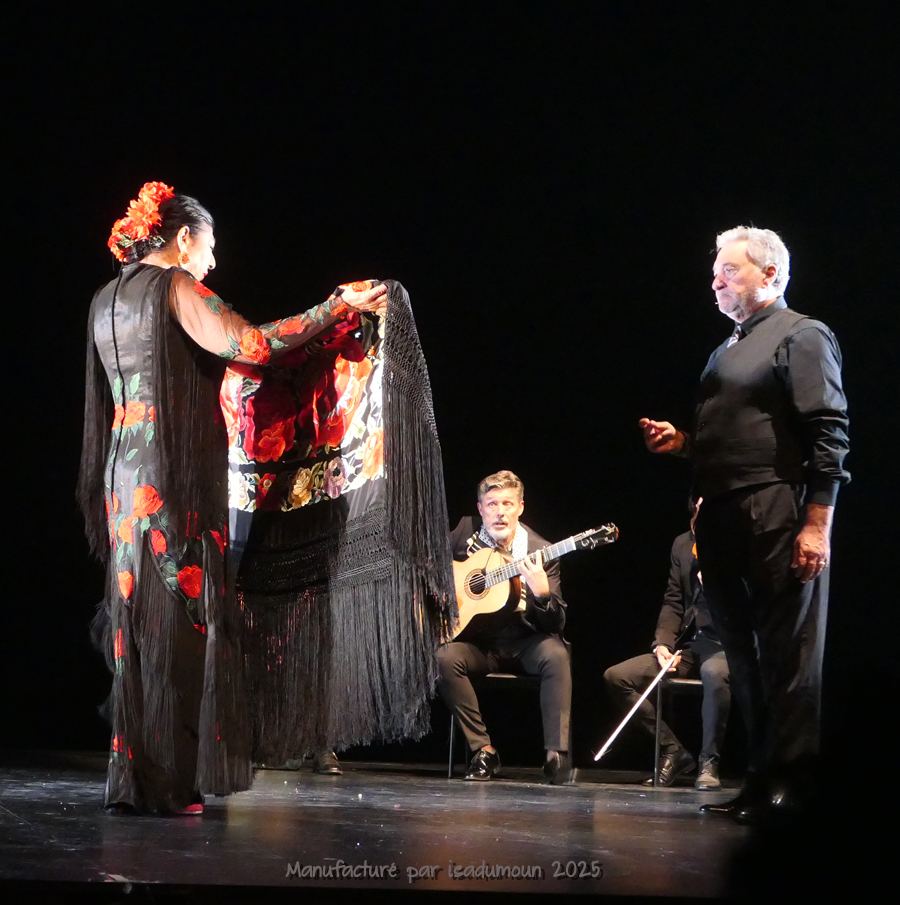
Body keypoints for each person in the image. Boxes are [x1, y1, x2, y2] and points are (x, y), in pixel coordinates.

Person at [78, 181, 387, 815]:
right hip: (172, 472)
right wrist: (334, 308)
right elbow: (253, 345)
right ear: (183, 239)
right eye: (209, 246)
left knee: (139, 624)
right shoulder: (174, 287)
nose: (212, 261)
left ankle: (134, 779)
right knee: (184, 621)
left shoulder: (105, 298)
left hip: (124, 473)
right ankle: (169, 784)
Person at [639, 226, 849, 824]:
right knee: (743, 656)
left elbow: (829, 434)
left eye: (729, 271)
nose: (716, 282)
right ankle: (759, 780)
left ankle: (795, 787)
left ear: (770, 274)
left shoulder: (802, 334)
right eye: (715, 273)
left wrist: (817, 525)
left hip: (776, 509)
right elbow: (736, 437)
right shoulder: (726, 348)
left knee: (788, 655)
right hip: (722, 515)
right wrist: (684, 444)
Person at [438, 470, 572, 784]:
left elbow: (555, 623)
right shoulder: (464, 531)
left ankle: (556, 756)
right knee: (443, 657)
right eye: (492, 504)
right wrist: (441, 593)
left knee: (556, 655)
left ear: (520, 507)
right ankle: (483, 750)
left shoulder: (541, 550)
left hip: (525, 641)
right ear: (481, 508)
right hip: (479, 643)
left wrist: (542, 593)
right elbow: (428, 566)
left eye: (508, 504)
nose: (500, 512)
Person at [604, 499, 730, 790]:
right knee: (617, 676)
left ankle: (709, 762)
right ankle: (673, 750)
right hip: (690, 645)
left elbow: (750, 606)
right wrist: (663, 644)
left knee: (715, 675)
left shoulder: (737, 544)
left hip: (724, 644)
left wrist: (718, 587)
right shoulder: (682, 544)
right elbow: (674, 600)